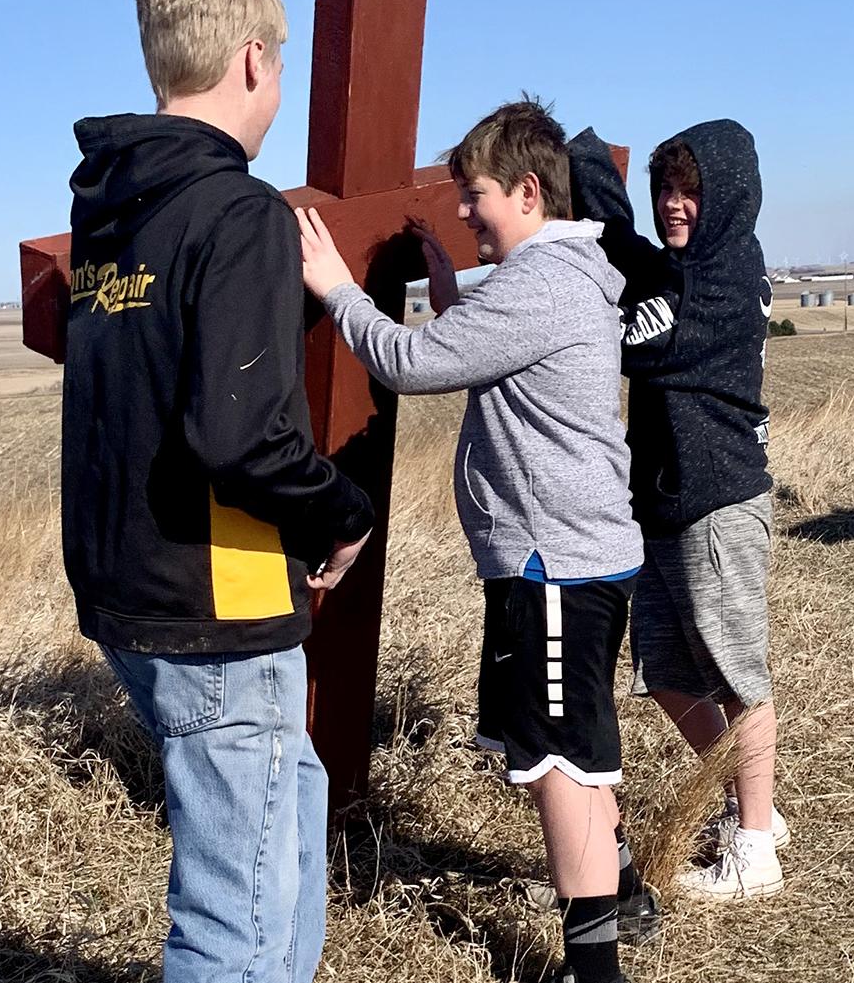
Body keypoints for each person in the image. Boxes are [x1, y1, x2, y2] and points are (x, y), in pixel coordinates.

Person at [61, 0, 374, 983]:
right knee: (230, 916)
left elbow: (152, 384)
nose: (278, 85)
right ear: (252, 60)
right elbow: (240, 433)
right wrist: (342, 512)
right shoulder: (240, 211)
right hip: (218, 602)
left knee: (292, 811)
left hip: (129, 590)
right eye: (279, 64)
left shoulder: (113, 215)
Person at [297, 100, 648, 983]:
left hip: (554, 565)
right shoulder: (562, 276)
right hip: (572, 558)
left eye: (475, 193)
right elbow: (493, 352)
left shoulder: (539, 285)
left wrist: (336, 286)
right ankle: (627, 891)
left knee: (561, 762)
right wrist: (449, 291)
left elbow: (410, 362)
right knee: (576, 741)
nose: (461, 210)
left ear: (529, 192)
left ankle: (595, 969)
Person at [568, 121, 786, 900]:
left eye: (691, 190)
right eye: (665, 188)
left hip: (716, 501)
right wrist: (586, 160)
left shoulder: (715, 285)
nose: (673, 204)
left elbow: (623, 338)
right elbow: (631, 248)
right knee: (662, 671)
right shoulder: (690, 268)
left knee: (736, 674)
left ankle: (755, 848)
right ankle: (752, 802)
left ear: (725, 197)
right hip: (665, 501)